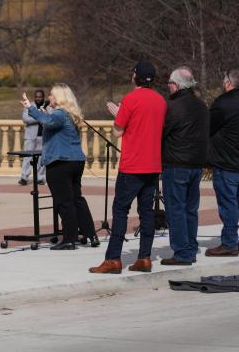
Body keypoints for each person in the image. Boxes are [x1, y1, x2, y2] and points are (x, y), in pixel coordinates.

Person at [89, 61, 166, 274]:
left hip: (132, 165)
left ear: (136, 77)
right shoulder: (160, 101)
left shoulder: (131, 99)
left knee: (120, 210)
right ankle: (144, 257)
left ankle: (113, 258)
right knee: (147, 212)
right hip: (153, 165)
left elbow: (117, 131)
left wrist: (119, 112)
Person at [21, 83, 97, 250]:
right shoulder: (70, 114)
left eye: (52, 96)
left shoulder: (61, 113)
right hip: (76, 161)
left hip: (61, 162)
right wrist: (44, 114)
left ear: (59, 98)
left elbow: (48, 122)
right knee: (77, 199)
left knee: (64, 201)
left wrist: (30, 108)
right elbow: (51, 122)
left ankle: (69, 239)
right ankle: (91, 235)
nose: (49, 98)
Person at [159, 67, 209, 266]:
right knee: (190, 208)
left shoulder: (173, 106)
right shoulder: (202, 105)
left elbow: (161, 133)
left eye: (170, 83)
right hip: (195, 164)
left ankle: (182, 252)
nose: (168, 87)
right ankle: (190, 247)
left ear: (176, 85)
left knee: (176, 209)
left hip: (176, 163)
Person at [205, 68, 239, 257]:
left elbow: (208, 127)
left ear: (228, 82)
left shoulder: (223, 103)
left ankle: (229, 243)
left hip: (226, 162)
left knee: (228, 205)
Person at [19, 89, 49, 186]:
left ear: (43, 97)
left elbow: (50, 118)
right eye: (36, 96)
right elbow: (25, 119)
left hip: (43, 136)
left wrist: (39, 116)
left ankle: (40, 177)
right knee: (27, 157)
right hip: (30, 136)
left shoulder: (48, 106)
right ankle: (24, 177)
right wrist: (39, 117)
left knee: (41, 158)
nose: (38, 98)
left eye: (40, 96)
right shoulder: (28, 105)